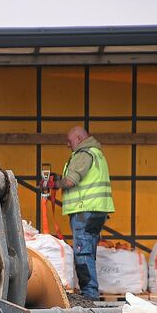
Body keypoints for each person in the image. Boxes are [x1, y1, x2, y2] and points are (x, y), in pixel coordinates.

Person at [52, 127, 115, 300]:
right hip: (97, 210)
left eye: (69, 141)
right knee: (88, 250)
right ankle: (90, 290)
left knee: (82, 251)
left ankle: (89, 294)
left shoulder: (83, 154)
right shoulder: (96, 154)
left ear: (79, 138)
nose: (67, 144)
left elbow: (71, 181)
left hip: (84, 210)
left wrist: (53, 184)